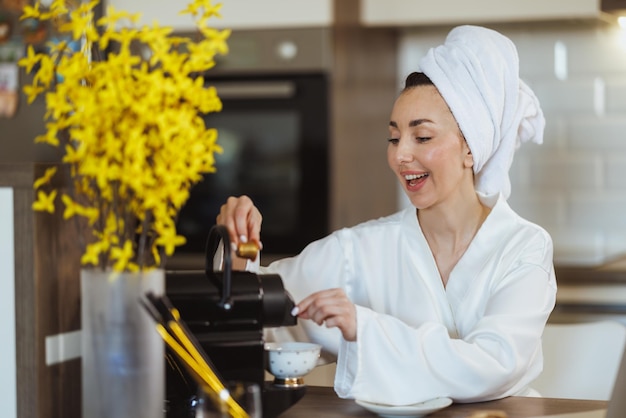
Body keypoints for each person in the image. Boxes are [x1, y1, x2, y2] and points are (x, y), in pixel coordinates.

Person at [216, 25, 557, 405]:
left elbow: (496, 364)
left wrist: (364, 327)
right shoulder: (359, 249)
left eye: (422, 137)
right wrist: (236, 255)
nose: (400, 155)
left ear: (471, 149)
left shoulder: (524, 246)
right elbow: (256, 317)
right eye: (394, 138)